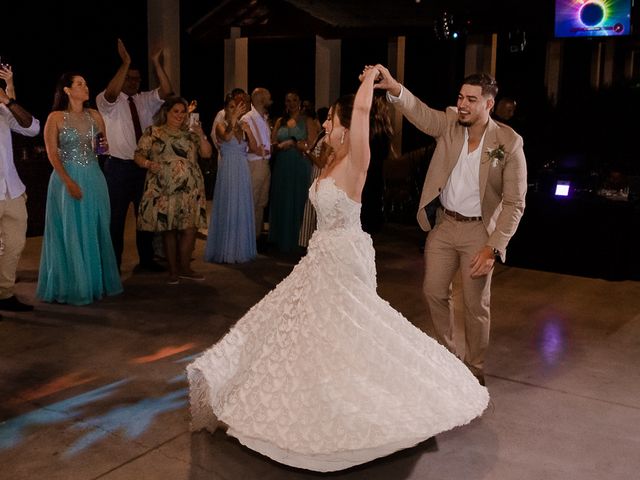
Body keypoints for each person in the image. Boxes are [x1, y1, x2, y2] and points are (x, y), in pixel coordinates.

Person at [186, 67, 488, 472]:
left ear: (348, 127)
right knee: (299, 331)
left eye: (332, 119)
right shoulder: (332, 158)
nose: (325, 123)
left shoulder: (357, 161)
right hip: (320, 255)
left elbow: (362, 111)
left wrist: (370, 80)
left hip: (345, 254)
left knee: (349, 330)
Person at [374, 65, 527, 385]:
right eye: (460, 97)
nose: (463, 104)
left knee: (475, 305)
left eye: (471, 99)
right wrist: (394, 88)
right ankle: (449, 355)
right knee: (432, 291)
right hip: (444, 226)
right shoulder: (450, 124)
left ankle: (475, 366)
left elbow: (514, 202)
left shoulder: (508, 142)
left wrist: (493, 247)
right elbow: (420, 112)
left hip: (479, 231)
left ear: (489, 105)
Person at [36, 73, 123, 305]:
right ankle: (74, 284)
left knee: (95, 228)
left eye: (85, 83)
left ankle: (94, 282)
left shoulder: (94, 115)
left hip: (94, 176)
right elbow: (52, 154)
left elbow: (102, 150)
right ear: (67, 90)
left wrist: (103, 147)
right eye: (80, 84)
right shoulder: (55, 118)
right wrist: (68, 181)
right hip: (66, 178)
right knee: (70, 230)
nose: (85, 87)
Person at [96, 38, 173, 272]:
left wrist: (156, 63)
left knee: (145, 216)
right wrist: (125, 63)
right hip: (117, 167)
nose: (134, 82)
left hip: (142, 167)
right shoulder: (107, 101)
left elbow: (168, 91)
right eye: (129, 78)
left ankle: (146, 261)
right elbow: (111, 92)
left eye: (137, 79)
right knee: (116, 219)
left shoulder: (144, 100)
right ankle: (114, 264)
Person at [134, 96, 211, 285]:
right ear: (166, 112)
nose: (179, 115)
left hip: (190, 189)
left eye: (183, 112)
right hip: (165, 187)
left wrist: (201, 134)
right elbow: (138, 155)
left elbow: (207, 153)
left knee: (190, 228)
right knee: (169, 228)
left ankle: (186, 268)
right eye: (175, 111)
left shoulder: (191, 134)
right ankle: (173, 270)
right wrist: (148, 163)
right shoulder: (154, 132)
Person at [0, 69, 40, 316]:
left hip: (11, 189)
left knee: (15, 245)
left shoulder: (4, 109)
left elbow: (31, 127)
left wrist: (9, 99)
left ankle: (4, 293)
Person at [204, 93, 258, 263]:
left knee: (241, 205)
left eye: (237, 107)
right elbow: (226, 137)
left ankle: (241, 247)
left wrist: (249, 131)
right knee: (229, 204)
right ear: (226, 109)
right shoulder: (221, 125)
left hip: (242, 169)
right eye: (232, 107)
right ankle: (226, 249)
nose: (235, 110)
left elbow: (254, 147)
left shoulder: (242, 126)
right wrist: (233, 119)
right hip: (228, 170)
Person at [268, 90, 318, 252]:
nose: (291, 103)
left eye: (294, 100)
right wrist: (279, 145)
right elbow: (272, 142)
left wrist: (294, 141)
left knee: (298, 199)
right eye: (288, 100)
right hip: (283, 163)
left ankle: (299, 239)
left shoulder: (307, 120)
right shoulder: (281, 121)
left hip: (300, 163)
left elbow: (312, 143)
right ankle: (280, 238)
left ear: (300, 101)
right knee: (283, 198)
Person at [240, 87, 273, 242]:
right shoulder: (247, 118)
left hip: (265, 163)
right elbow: (248, 143)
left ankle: (256, 236)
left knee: (261, 201)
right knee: (252, 201)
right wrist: (259, 151)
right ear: (260, 99)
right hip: (255, 163)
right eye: (268, 97)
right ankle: (248, 238)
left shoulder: (263, 118)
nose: (270, 100)